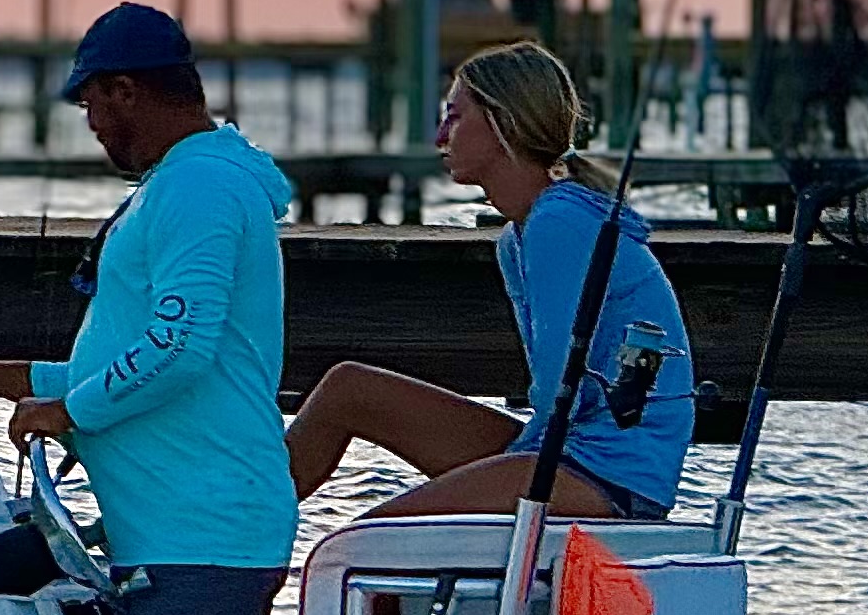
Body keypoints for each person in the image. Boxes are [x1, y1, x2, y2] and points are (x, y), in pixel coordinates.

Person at [0, 2, 297, 615]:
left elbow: (179, 345)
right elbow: (138, 359)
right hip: (176, 536)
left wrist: (70, 412)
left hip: (201, 538)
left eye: (90, 102)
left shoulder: (199, 188)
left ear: (124, 90)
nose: (90, 122)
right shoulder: (187, 181)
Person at [284, 39, 695, 522]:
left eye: (454, 117)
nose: (440, 136)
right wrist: (503, 467)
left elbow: (562, 382)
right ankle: (228, 540)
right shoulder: (518, 235)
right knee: (348, 390)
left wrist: (504, 469)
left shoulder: (559, 223)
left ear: (503, 126)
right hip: (566, 450)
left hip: (610, 477)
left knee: (370, 535)